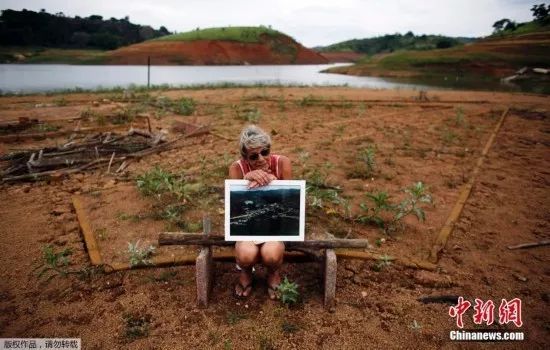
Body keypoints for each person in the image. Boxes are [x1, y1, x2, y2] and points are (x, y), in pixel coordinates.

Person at [228, 125, 292, 299]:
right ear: (245, 157)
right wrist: (244, 180)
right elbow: (236, 208)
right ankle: (246, 272)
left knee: (271, 255)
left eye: (265, 151)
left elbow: (289, 203)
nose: (261, 158)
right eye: (254, 156)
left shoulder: (282, 163)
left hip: (274, 224)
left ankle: (273, 272)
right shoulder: (237, 169)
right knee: (246, 254)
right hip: (249, 226)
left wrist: (274, 185)